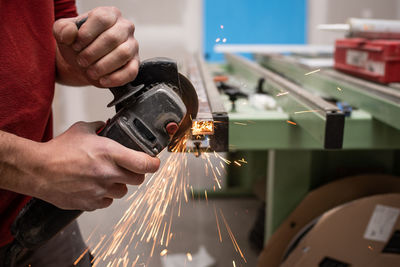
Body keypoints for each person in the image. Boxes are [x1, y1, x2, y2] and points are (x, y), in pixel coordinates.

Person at [0, 1, 161, 266]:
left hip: (37, 210)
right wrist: (31, 166)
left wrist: (88, 56)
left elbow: (48, 45)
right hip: (38, 183)